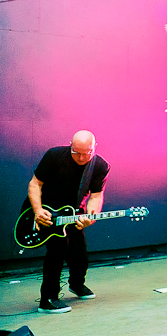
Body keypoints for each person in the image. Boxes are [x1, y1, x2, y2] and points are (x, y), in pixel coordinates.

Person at [27, 130, 110, 314]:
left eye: (86, 153)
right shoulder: (54, 156)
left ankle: (76, 284)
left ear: (94, 148)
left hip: (72, 213)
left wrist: (91, 216)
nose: (81, 158)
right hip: (45, 212)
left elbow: (96, 195)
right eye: (76, 152)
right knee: (57, 249)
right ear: (70, 145)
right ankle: (47, 300)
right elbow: (35, 184)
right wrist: (38, 210)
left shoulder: (100, 166)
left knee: (80, 253)